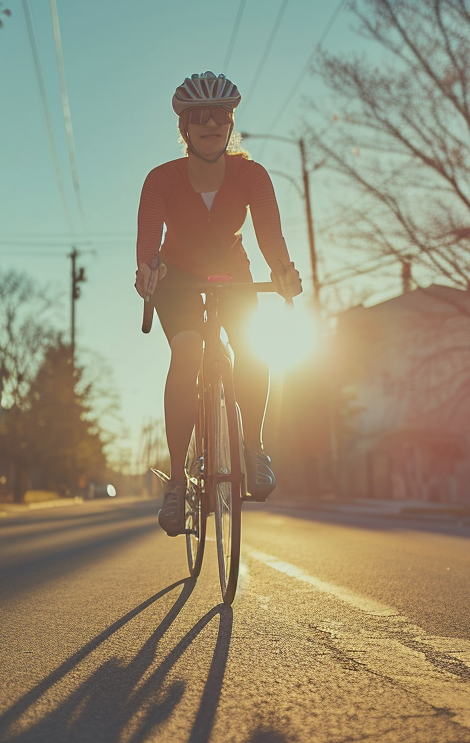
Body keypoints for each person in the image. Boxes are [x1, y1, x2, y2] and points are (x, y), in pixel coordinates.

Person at [135, 71, 304, 536]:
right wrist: (146, 270)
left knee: (251, 347)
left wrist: (284, 271)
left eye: (222, 115)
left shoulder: (252, 175)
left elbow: (270, 233)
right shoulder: (161, 179)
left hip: (232, 271)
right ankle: (176, 484)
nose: (212, 123)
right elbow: (149, 236)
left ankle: (253, 447)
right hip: (177, 276)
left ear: (231, 125)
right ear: (184, 128)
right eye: (200, 116)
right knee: (187, 351)